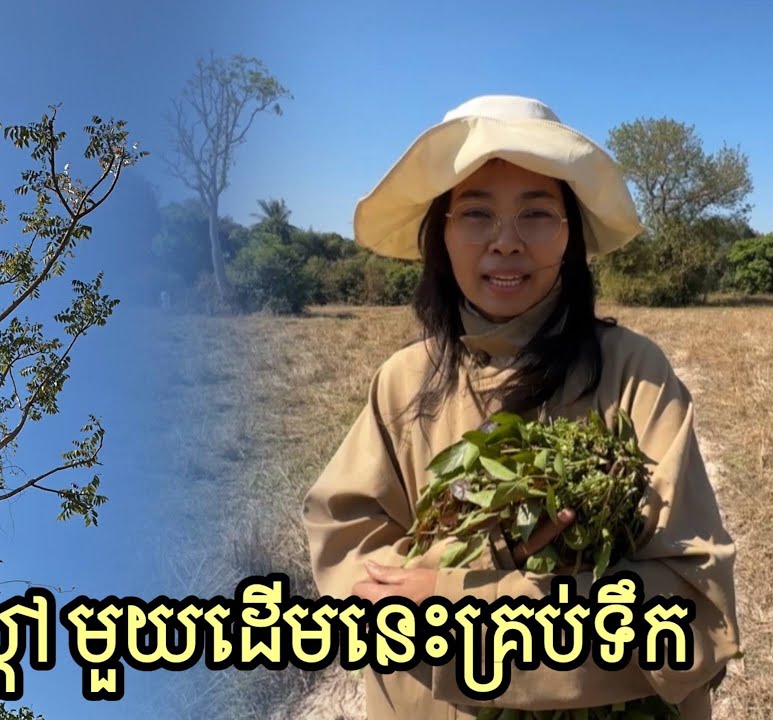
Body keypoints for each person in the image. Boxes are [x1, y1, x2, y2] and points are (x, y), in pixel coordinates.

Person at [302, 96, 738, 719]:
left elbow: (696, 605)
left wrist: (462, 594)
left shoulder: (635, 374)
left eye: (537, 214)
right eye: (476, 214)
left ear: (571, 236)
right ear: (442, 235)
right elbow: (353, 566)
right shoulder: (403, 383)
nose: (506, 244)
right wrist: (480, 564)